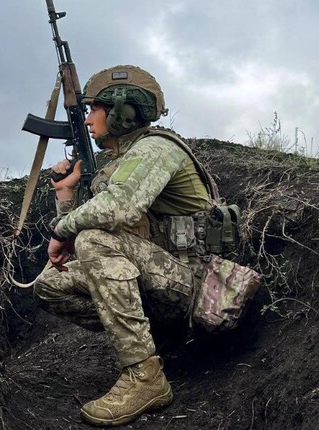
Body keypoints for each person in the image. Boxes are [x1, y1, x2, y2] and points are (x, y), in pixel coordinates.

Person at [33, 65, 219, 426]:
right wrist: (65, 194)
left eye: (93, 110)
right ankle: (155, 344)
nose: (87, 121)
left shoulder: (156, 149)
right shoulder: (122, 163)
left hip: (193, 288)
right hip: (157, 282)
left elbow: (118, 208)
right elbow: (95, 220)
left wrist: (62, 231)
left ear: (123, 111)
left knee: (92, 238)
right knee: (50, 284)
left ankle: (144, 377)